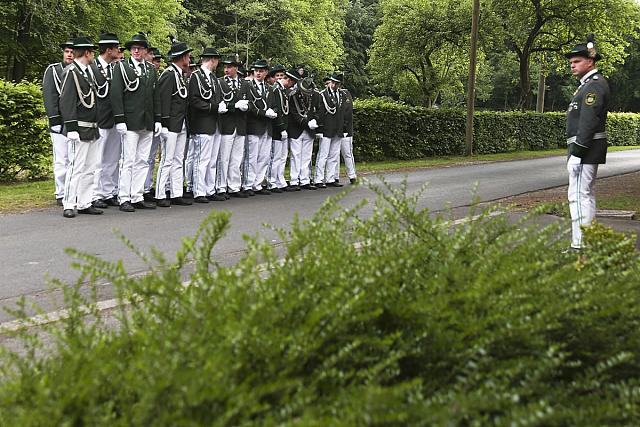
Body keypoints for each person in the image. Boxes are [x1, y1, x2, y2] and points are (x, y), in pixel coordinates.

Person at [564, 35, 610, 250]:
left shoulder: (593, 86)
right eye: (571, 62)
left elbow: (588, 121)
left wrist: (578, 153)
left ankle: (580, 245)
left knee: (578, 197)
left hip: (586, 150)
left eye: (577, 61)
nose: (572, 65)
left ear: (590, 62)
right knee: (586, 195)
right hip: (587, 150)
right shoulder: (587, 85)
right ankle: (586, 242)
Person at [111, 32, 161, 212]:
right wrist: (120, 119)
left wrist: (157, 119)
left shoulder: (150, 69)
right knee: (128, 161)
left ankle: (137, 195)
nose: (136, 51)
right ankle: (124, 197)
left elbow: (155, 97)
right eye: (133, 48)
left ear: (145, 51)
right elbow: (116, 94)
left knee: (143, 161)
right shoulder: (121, 67)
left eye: (140, 48)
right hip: (130, 121)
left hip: (147, 121)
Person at [58, 36, 102, 218]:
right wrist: (71, 127)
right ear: (86, 53)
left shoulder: (86, 71)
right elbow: (66, 101)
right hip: (79, 128)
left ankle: (85, 202)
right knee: (76, 167)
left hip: (91, 127)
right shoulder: (71, 72)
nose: (93, 55)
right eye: (92, 52)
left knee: (90, 167)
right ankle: (69, 203)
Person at [155, 38, 193, 207]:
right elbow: (162, 101)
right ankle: (160, 193)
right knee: (167, 159)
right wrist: (162, 124)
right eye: (188, 56)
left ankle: (176, 192)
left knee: (179, 159)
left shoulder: (179, 74)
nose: (190, 60)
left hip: (180, 123)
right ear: (183, 57)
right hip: (170, 124)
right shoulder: (169, 75)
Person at [90, 32, 121, 208]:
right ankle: (94, 194)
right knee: (98, 159)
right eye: (116, 48)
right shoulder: (93, 68)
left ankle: (107, 192)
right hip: (100, 119)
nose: (118, 51)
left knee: (112, 158)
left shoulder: (115, 68)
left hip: (114, 119)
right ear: (108, 50)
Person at [188, 46, 222, 203]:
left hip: (214, 123)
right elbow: (194, 100)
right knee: (201, 159)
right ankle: (198, 190)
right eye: (216, 60)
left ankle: (209, 188)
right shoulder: (196, 76)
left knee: (212, 159)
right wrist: (214, 107)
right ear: (213, 60)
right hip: (201, 123)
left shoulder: (213, 78)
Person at [42, 36, 74, 206]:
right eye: (67, 52)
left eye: (72, 52)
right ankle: (61, 193)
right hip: (60, 123)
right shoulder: (53, 70)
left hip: (76, 123)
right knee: (62, 160)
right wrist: (54, 119)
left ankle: (72, 191)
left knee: (75, 160)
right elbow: (49, 96)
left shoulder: (81, 71)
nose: (69, 55)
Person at [216, 55, 250, 198]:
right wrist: (233, 106)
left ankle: (234, 186)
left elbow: (249, 101)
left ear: (236, 68)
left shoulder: (244, 84)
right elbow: (219, 102)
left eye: (230, 67)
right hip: (226, 123)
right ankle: (221, 186)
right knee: (224, 158)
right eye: (225, 67)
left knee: (237, 158)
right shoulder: (220, 83)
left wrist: (245, 107)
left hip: (240, 124)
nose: (227, 70)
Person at [244, 59, 279, 195]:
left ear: (265, 73)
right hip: (254, 125)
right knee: (252, 157)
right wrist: (265, 113)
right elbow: (250, 106)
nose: (258, 73)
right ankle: (248, 184)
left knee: (263, 157)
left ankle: (257, 184)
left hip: (267, 127)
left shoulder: (269, 89)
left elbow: (275, 105)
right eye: (256, 71)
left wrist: (273, 112)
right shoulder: (248, 86)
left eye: (261, 71)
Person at [287, 71, 319, 190]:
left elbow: (318, 111)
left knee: (306, 156)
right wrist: (307, 123)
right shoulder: (293, 96)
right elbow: (294, 114)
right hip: (297, 129)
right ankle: (294, 180)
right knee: (296, 155)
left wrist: (315, 120)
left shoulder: (315, 96)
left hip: (310, 130)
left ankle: (305, 180)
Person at [315, 72, 344, 188]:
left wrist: (343, 128)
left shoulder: (341, 95)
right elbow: (320, 113)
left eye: (336, 83)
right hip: (326, 129)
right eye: (332, 82)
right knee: (323, 155)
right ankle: (318, 179)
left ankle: (330, 178)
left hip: (338, 129)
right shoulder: (323, 95)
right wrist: (319, 129)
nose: (334, 85)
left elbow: (342, 113)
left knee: (334, 155)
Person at [268, 64, 291, 192]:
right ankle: (272, 181)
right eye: (277, 76)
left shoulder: (283, 91)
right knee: (275, 157)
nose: (280, 78)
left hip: (284, 128)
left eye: (282, 76)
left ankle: (280, 179)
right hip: (278, 129)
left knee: (282, 157)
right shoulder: (276, 90)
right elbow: (277, 110)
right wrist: (281, 127)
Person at [335, 83, 357, 184]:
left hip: (345, 130)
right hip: (334, 130)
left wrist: (344, 127)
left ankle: (352, 175)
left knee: (347, 153)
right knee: (334, 155)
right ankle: (334, 176)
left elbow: (347, 112)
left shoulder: (346, 94)